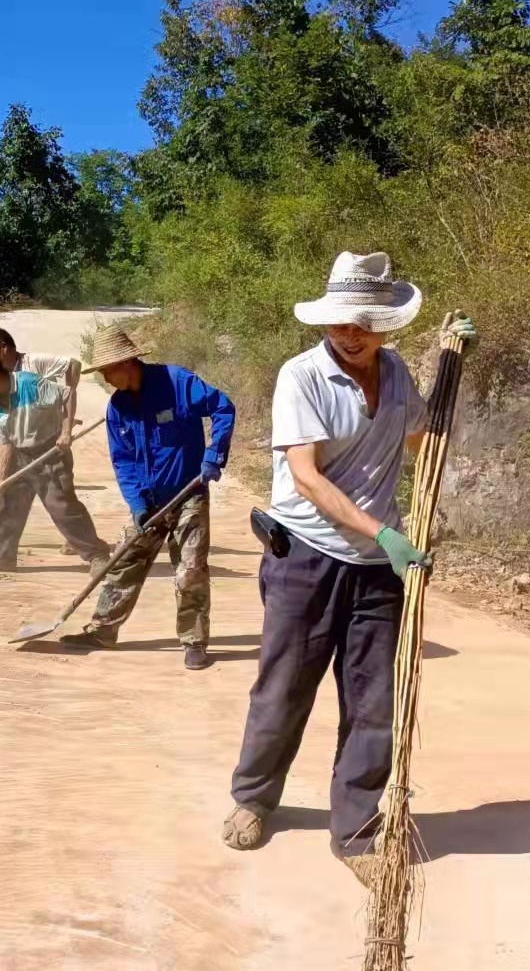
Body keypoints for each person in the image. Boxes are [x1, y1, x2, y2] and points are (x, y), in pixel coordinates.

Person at [221, 251, 476, 883]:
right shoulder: (301, 376)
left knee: (373, 702)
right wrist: (384, 533)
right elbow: (304, 477)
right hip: (305, 557)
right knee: (283, 688)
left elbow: (422, 442)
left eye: (363, 322)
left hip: (376, 568)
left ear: (386, 325)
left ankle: (357, 830)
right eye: (340, 321)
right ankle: (254, 798)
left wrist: (451, 378)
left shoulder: (393, 376)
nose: (350, 332)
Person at [59, 324, 235, 672]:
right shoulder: (117, 408)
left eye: (108, 370)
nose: (107, 379)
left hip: (189, 495)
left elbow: (223, 408)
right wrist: (138, 505)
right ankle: (103, 630)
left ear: (127, 362)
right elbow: (123, 462)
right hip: (149, 501)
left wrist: (215, 454)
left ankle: (194, 641)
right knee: (124, 562)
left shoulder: (177, 383)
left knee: (190, 570)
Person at [0, 352, 110, 573]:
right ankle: (3, 557)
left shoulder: (30, 384)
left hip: (49, 453)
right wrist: (1, 478)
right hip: (19, 456)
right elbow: (5, 442)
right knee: (5, 505)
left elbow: (67, 395)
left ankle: (97, 555)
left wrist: (65, 432)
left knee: (62, 506)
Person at [0, 327, 82, 551]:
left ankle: (78, 540)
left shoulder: (34, 363)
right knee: (5, 493)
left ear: (3, 347)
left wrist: (66, 421)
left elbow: (73, 366)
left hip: (47, 445)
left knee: (60, 497)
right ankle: (1, 540)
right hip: (18, 443)